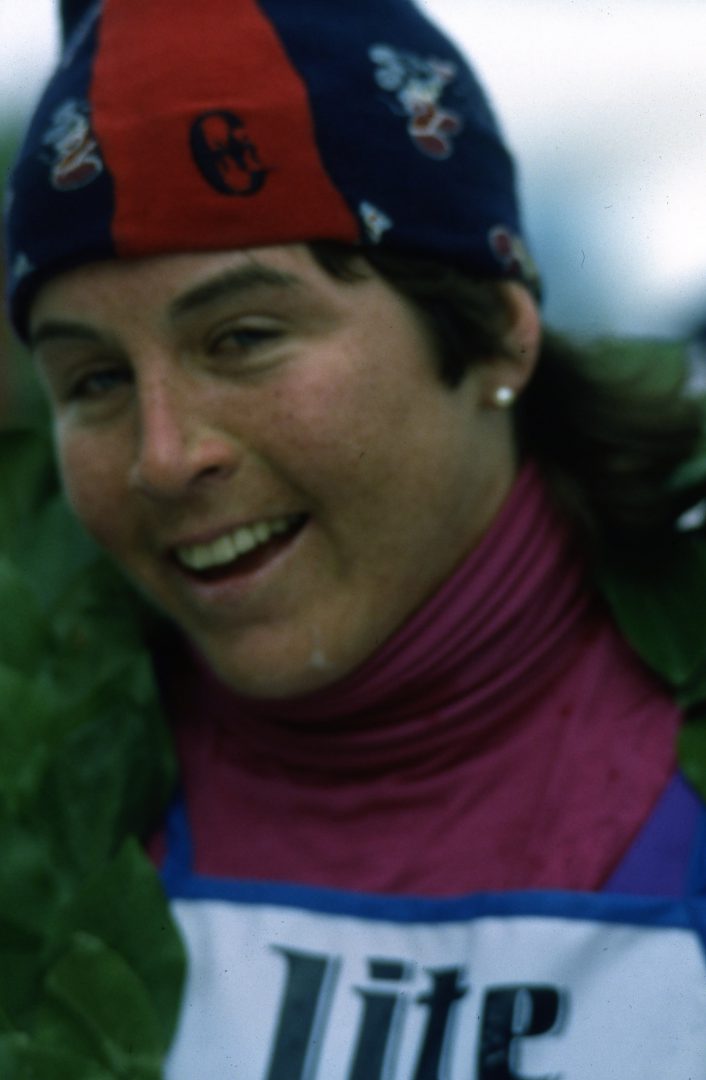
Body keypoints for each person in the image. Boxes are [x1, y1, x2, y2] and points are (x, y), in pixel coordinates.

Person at [4, 1, 706, 1077]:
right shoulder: (40, 794)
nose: (162, 457)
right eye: (94, 379)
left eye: (242, 337)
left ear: (492, 331)